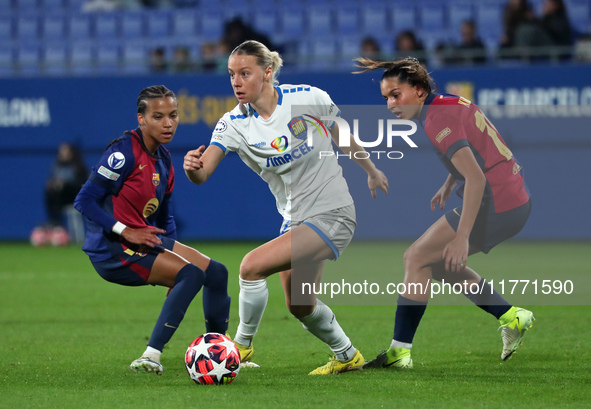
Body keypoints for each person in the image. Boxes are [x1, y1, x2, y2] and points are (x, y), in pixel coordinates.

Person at [183, 40, 389, 375]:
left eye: (244, 73)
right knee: (300, 305)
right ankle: (348, 356)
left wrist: (371, 171)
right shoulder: (234, 123)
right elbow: (203, 172)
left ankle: (241, 347)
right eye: (231, 74)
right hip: (295, 220)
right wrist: (193, 168)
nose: (236, 81)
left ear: (267, 73)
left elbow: (342, 134)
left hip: (333, 212)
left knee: (251, 266)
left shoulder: (306, 97)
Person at [354, 57, 534, 369]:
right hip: (514, 199)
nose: (390, 105)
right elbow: (476, 150)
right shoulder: (448, 102)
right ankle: (511, 316)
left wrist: (462, 237)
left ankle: (399, 354)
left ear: (419, 90)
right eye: (385, 98)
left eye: (396, 95)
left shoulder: (437, 119)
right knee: (433, 266)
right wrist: (451, 180)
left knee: (416, 258)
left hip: (499, 202)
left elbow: (476, 177)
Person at [74, 85, 231, 375]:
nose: (168, 123)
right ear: (141, 119)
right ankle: (151, 355)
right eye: (158, 116)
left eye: (173, 115)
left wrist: (172, 257)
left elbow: (165, 220)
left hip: (143, 241)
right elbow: (84, 200)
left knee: (217, 273)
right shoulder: (122, 154)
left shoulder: (164, 160)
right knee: (191, 273)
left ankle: (221, 352)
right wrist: (125, 230)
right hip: (112, 250)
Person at [41, 142, 88, 243]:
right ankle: (54, 224)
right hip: (59, 197)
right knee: (51, 192)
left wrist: (66, 184)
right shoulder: (57, 166)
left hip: (74, 197)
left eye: (65, 151)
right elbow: (53, 179)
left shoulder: (78, 167)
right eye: (61, 151)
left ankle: (57, 225)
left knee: (60, 190)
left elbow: (82, 184)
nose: (63, 153)